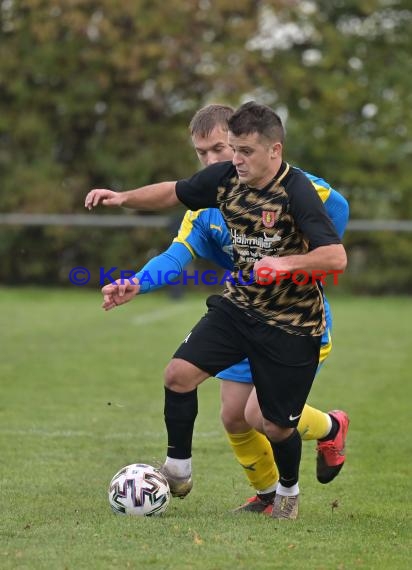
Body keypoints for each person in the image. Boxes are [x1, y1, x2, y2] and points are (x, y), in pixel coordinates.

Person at [85, 101, 347, 519]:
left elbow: (335, 238)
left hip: (292, 320)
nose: (216, 160)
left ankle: (330, 430)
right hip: (240, 309)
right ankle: (245, 491)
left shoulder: (300, 189)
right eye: (202, 153)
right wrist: (135, 271)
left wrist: (291, 262)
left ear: (257, 145)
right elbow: (175, 249)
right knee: (228, 412)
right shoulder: (210, 196)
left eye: (224, 149)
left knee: (264, 418)